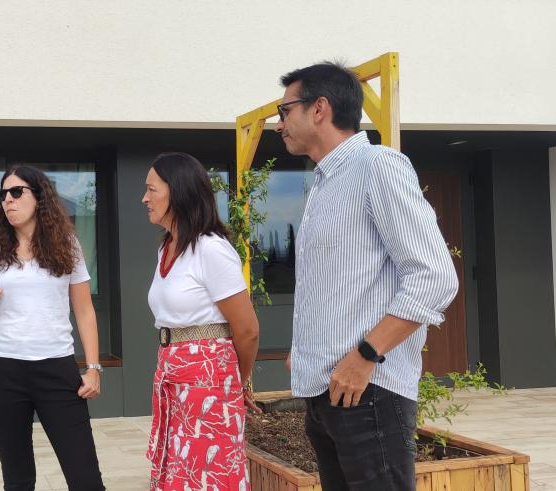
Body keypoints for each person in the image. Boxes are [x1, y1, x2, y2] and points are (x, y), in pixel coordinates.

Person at [276, 62, 459, 490]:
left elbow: (434, 276)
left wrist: (365, 356)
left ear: (319, 108)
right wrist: (305, 348)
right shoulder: (324, 185)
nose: (279, 124)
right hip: (328, 391)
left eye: (286, 111)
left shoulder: (377, 167)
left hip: (369, 392)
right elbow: (342, 285)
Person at [0, 165, 105, 491]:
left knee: (86, 478)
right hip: (0, 371)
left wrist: (94, 368)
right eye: (2, 195)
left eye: (16, 192)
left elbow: (84, 311)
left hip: (56, 367)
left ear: (39, 196)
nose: (8, 201)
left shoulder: (66, 245)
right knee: (18, 478)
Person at [142, 152, 261, 491]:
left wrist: (236, 382)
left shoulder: (211, 249)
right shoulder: (166, 248)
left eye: (151, 190)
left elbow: (248, 329)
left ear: (177, 192)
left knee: (207, 474)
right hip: (172, 372)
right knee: (178, 472)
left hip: (209, 379)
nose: (144, 199)